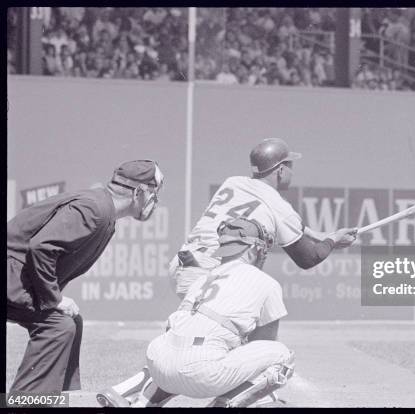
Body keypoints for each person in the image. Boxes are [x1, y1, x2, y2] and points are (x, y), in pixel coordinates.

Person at [97, 138, 357, 407]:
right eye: (290, 164)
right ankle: (230, 398)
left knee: (195, 342)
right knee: (218, 346)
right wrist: (332, 242)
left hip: (187, 264)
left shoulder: (234, 182)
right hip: (214, 268)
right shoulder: (279, 206)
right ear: (280, 169)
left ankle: (131, 393)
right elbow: (308, 257)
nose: (292, 170)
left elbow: (296, 225)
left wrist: (324, 235)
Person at [7, 159, 164, 393]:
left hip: (17, 276)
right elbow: (41, 247)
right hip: (13, 275)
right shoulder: (95, 209)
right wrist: (56, 299)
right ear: (139, 192)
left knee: (69, 321)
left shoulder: (102, 210)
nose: (155, 199)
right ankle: (24, 403)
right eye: (153, 191)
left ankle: (57, 398)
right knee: (58, 326)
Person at [131, 217, 294, 407]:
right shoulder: (267, 283)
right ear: (252, 249)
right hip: (202, 373)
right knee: (282, 356)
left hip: (157, 365)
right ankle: (224, 404)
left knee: (180, 347)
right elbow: (263, 343)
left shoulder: (202, 279)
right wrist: (253, 392)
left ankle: (143, 402)